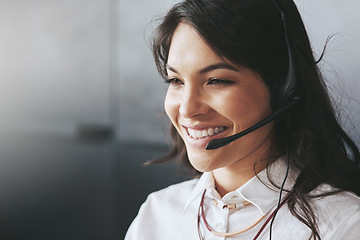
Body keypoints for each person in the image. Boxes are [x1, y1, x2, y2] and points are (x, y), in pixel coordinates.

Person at [125, 0, 360, 239]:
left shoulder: (343, 225)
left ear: (283, 89)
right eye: (176, 81)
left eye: (216, 81)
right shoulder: (156, 216)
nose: (187, 109)